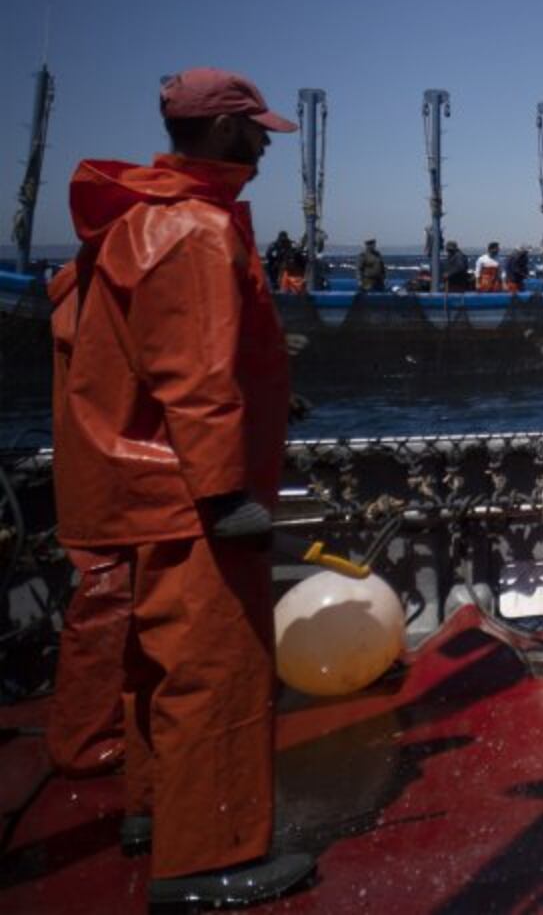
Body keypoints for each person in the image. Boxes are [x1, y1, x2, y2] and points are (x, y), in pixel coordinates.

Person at [47, 67, 315, 906]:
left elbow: (102, 348)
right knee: (215, 669)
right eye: (258, 130)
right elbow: (194, 374)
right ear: (226, 131)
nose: (266, 145)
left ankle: (154, 811)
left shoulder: (132, 219)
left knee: (152, 664)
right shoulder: (195, 229)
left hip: (132, 484)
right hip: (188, 493)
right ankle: (210, 856)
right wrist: (226, 493)